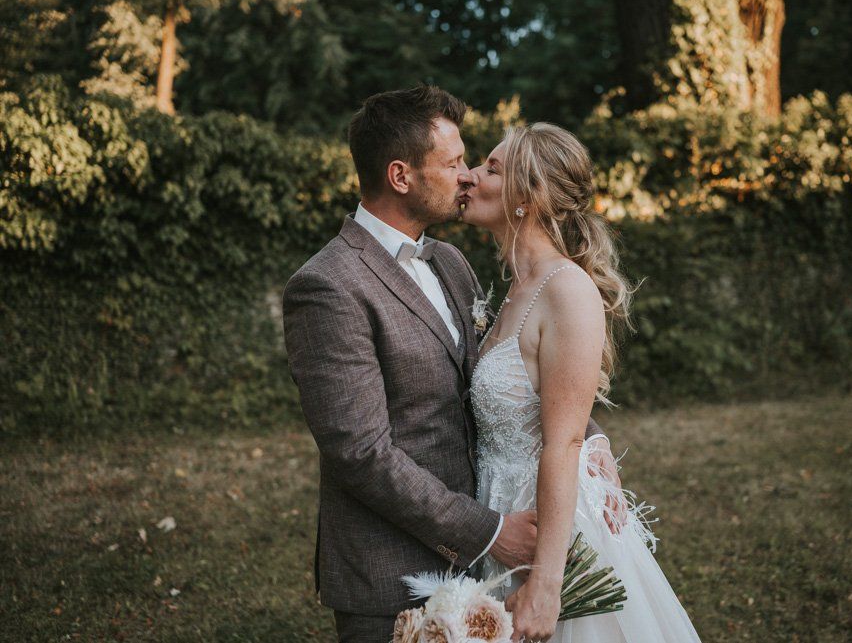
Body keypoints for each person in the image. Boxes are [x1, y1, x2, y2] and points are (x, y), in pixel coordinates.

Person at [281, 87, 622, 643]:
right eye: (455, 162)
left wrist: (587, 438)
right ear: (400, 176)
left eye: (474, 163)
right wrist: (489, 533)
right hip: (391, 572)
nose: (468, 176)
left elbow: (506, 379)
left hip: (487, 560)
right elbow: (361, 454)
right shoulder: (328, 286)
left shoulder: (450, 262)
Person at [461, 122, 702, 642]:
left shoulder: (565, 288)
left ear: (529, 196)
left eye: (491, 168)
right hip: (504, 512)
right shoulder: (513, 290)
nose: (469, 177)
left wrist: (548, 580)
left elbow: (564, 438)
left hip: (558, 531)